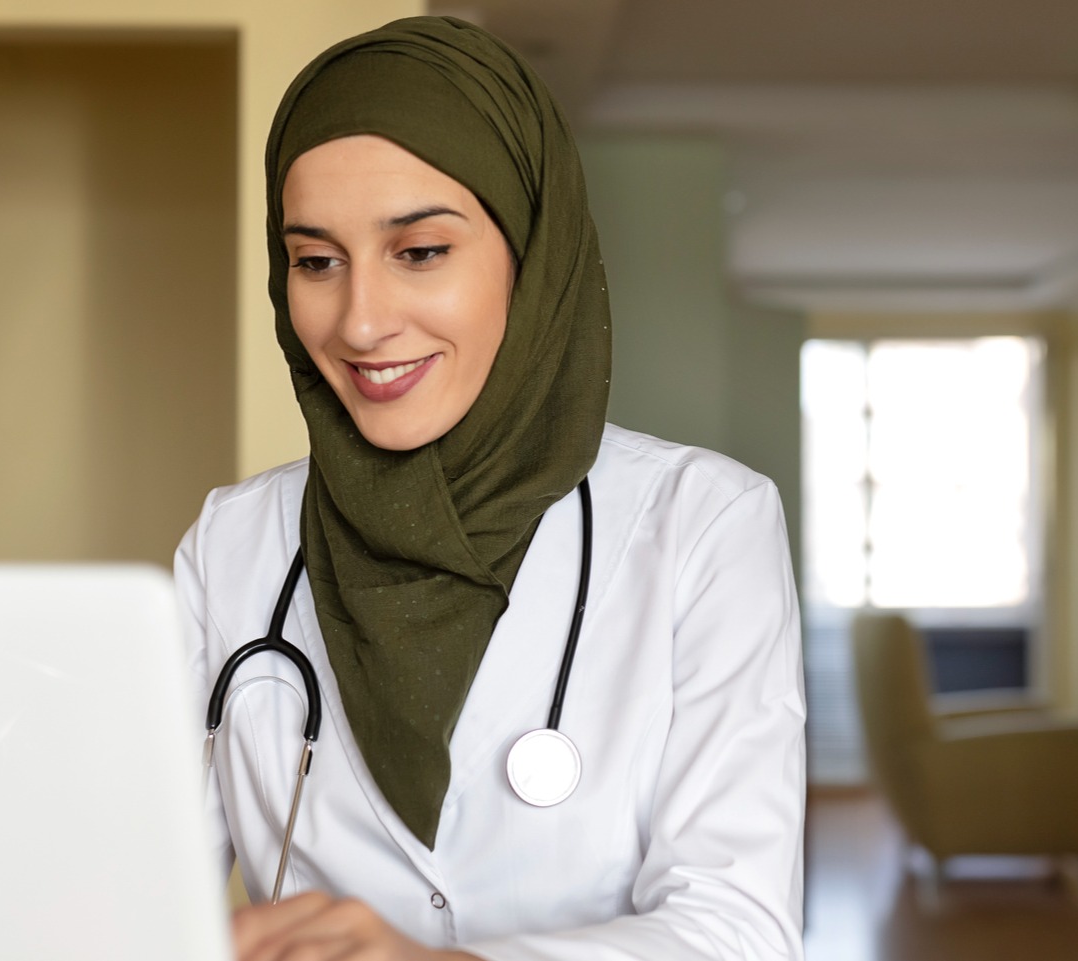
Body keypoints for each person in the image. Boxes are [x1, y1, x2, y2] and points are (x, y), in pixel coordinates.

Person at [175, 16, 805, 961]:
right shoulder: (235, 543)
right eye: (315, 261)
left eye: (419, 251)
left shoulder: (701, 523)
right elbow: (130, 885)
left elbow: (739, 931)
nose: (360, 321)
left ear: (531, 254)